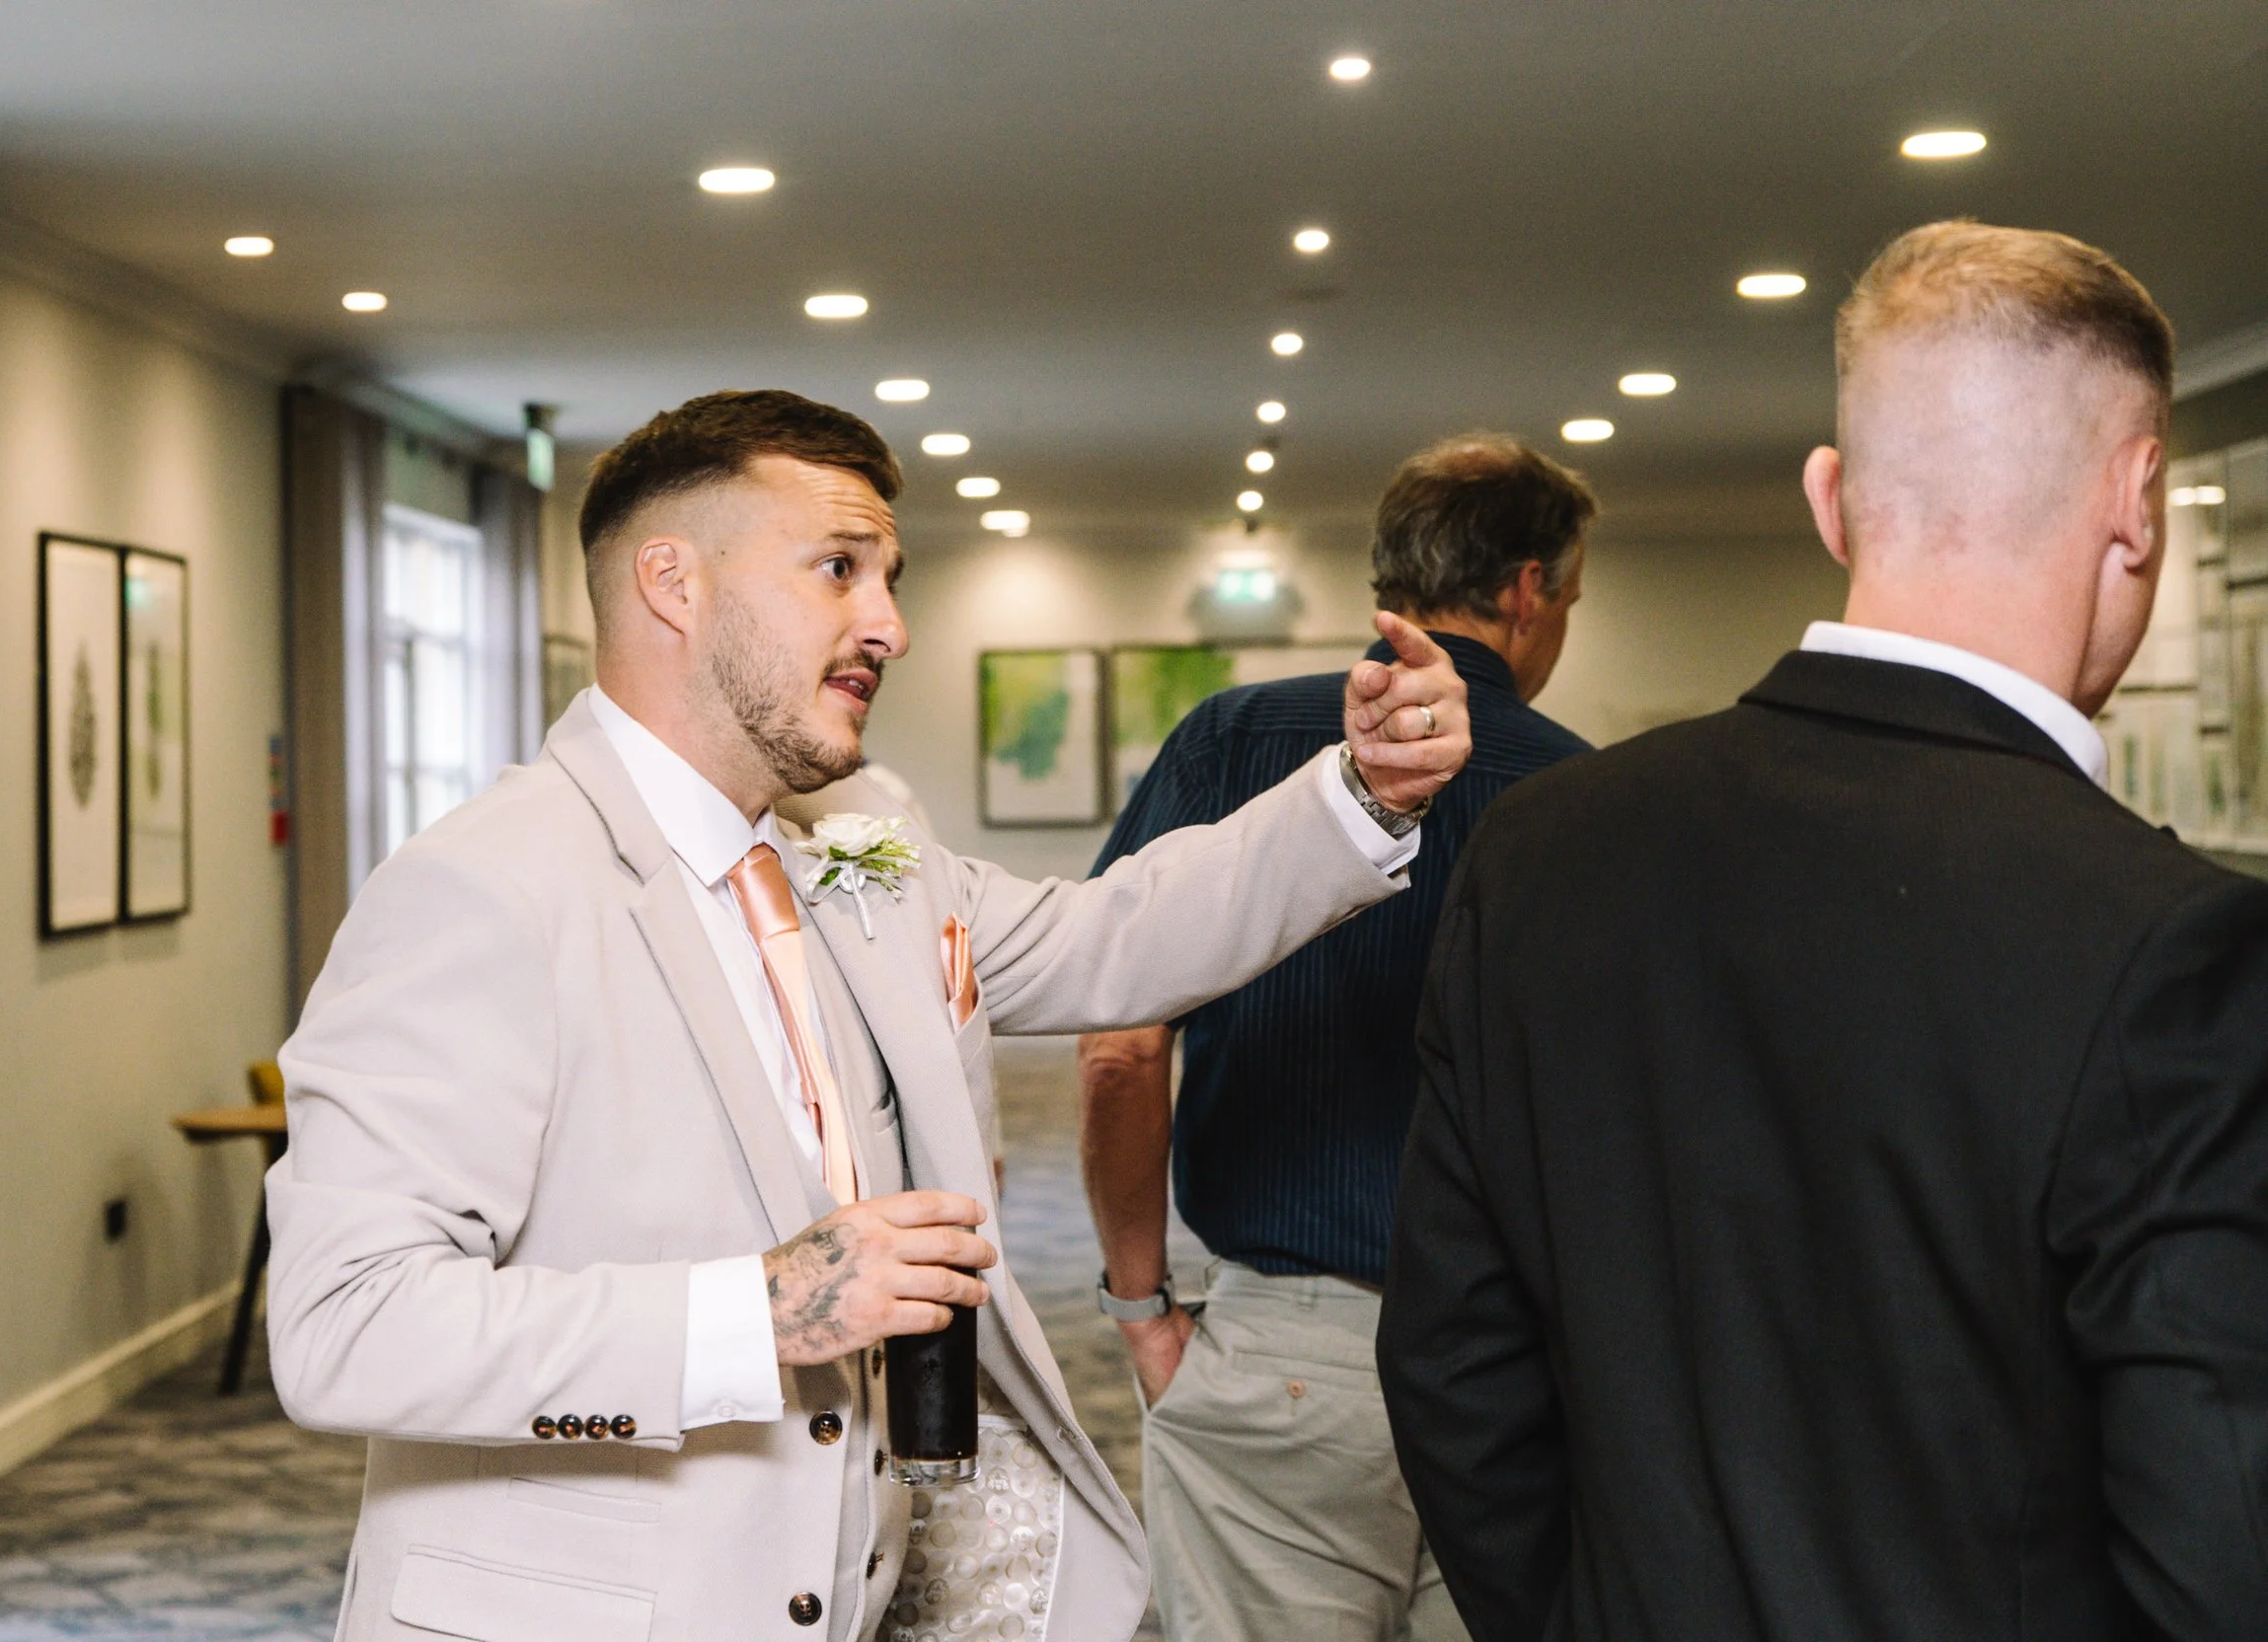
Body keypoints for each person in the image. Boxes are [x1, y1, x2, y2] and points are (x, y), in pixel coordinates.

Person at [264, 389, 1475, 1642]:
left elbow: (1114, 933)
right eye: (839, 568)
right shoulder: (482, 886)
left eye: (890, 578)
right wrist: (759, 1309)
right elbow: (346, 1324)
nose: (890, 624)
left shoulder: (855, 852)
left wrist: (1363, 794)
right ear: (673, 583)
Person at [1378, 220, 2268, 1641]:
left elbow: (1451, 1371)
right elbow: (2221, 1542)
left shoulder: (1539, 850)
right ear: (2139, 499)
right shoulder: (2177, 948)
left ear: (1831, 500)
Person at [1080, 433, 1596, 1642]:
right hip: (1525, 1361)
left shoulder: (1234, 740)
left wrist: (1138, 1306)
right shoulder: (1589, 795)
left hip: (1285, 1351)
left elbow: (1119, 1044)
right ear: (1527, 589)